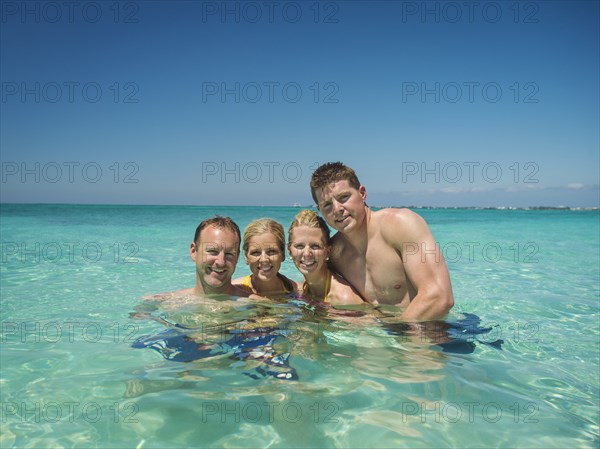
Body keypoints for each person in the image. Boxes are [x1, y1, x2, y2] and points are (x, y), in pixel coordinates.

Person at [310, 162, 454, 320]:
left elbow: (440, 297)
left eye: (344, 197)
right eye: (327, 205)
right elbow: (311, 286)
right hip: (386, 334)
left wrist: (396, 339)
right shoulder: (334, 253)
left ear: (362, 193)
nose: (337, 209)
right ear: (320, 210)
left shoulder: (400, 224)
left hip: (436, 332)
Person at [288, 209, 364, 306]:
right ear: (289, 251)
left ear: (327, 252)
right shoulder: (303, 288)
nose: (307, 254)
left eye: (315, 246)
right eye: (299, 246)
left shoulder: (344, 299)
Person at [233, 218, 297, 298]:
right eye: (256, 253)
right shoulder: (234, 291)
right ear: (246, 257)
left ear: (283, 254)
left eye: (271, 251)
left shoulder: (296, 290)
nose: (264, 259)